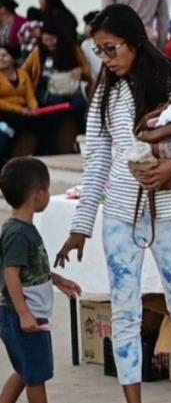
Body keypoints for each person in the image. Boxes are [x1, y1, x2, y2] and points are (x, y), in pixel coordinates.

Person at [55, 3, 171, 402]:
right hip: (119, 212)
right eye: (99, 51)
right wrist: (81, 225)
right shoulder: (104, 92)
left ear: (136, 42)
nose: (106, 58)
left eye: (112, 48)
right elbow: (98, 158)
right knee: (123, 310)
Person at [0, 158, 81, 403]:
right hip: (24, 317)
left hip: (26, 315)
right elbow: (11, 274)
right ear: (38, 195)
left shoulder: (22, 229)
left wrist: (56, 280)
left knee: (25, 371)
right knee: (36, 375)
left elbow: (29, 271)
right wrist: (24, 313)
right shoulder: (18, 234)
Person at [23, 21, 91, 154]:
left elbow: (86, 69)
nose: (49, 43)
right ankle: (50, 148)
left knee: (81, 105)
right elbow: (24, 70)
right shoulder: (38, 52)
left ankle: (83, 140)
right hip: (47, 89)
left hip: (70, 87)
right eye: (46, 39)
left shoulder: (72, 49)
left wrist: (80, 71)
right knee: (54, 107)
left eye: (52, 39)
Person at [0, 47, 38, 162]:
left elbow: (29, 95)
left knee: (40, 123)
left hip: (22, 111)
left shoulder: (22, 74)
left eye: (4, 55)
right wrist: (19, 110)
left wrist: (34, 108)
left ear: (13, 58)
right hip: (5, 110)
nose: (1, 59)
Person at [80, 11, 103, 81]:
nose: (85, 28)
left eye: (87, 24)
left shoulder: (107, 41)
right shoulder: (86, 44)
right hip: (95, 81)